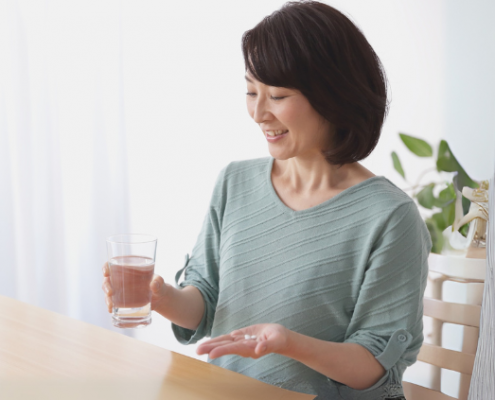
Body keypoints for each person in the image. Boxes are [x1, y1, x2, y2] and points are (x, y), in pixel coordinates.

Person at [102, 1, 431, 399]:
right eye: (250, 90)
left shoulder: (389, 217)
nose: (258, 113)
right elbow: (207, 303)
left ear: (333, 95)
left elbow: (375, 366)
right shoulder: (235, 181)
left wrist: (287, 342)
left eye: (276, 95)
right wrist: (161, 298)